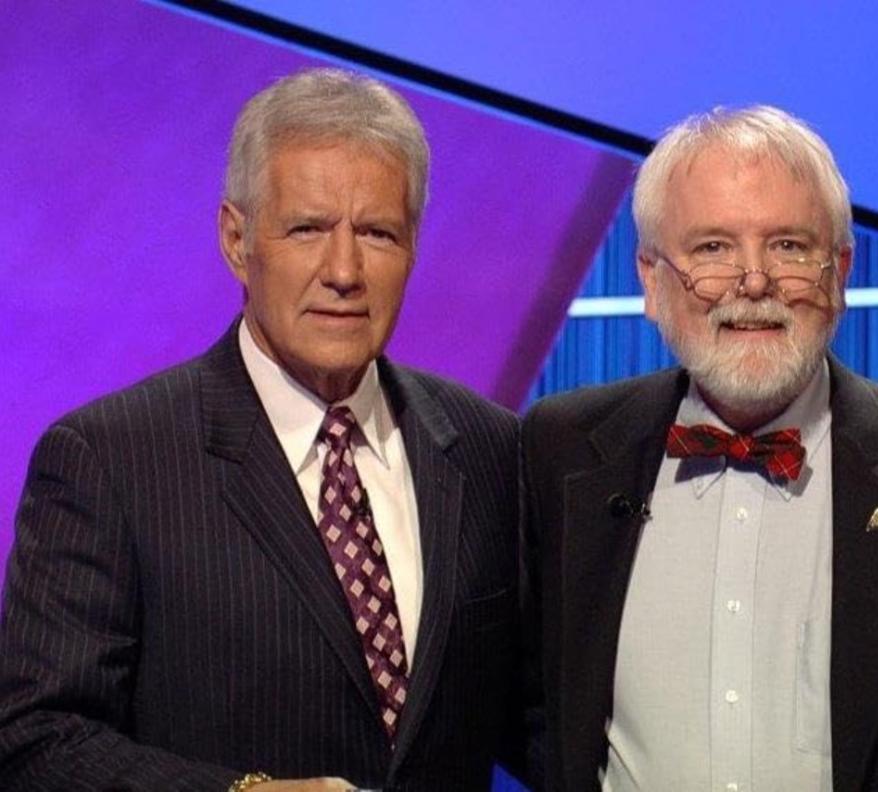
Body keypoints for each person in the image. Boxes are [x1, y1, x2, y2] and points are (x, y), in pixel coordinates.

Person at [0, 68, 522, 791]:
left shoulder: (490, 447)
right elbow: (37, 742)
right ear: (237, 240)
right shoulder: (108, 460)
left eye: (377, 233)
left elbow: (540, 718)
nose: (344, 270)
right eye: (308, 229)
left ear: (413, 249)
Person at [522, 105, 878, 791]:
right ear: (650, 279)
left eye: (788, 246)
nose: (753, 281)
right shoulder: (562, 450)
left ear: (840, 270)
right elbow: (524, 710)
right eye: (712, 248)